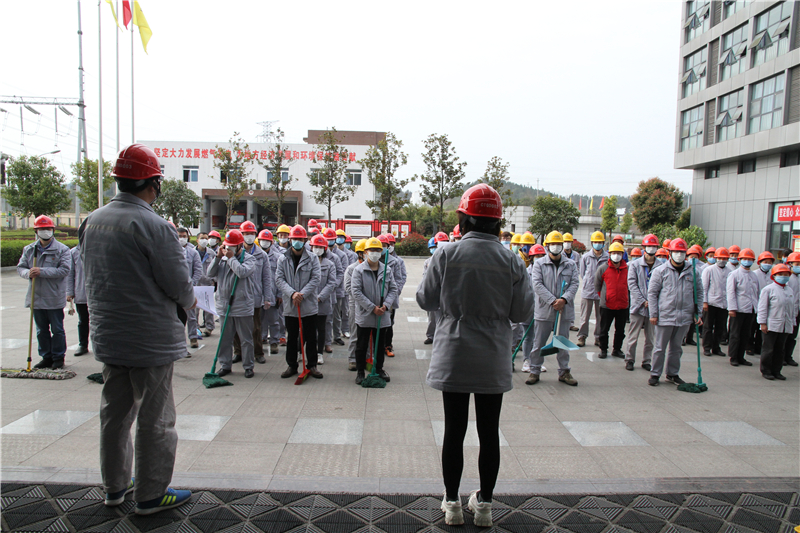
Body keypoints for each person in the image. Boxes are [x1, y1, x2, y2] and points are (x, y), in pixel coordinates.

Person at [80, 143, 194, 514]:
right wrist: (190, 301)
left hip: (109, 336)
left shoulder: (92, 221)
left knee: (114, 414)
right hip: (149, 340)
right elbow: (179, 287)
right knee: (155, 418)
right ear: (153, 183)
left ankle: (115, 487)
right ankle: (151, 493)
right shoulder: (154, 226)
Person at [417, 184, 534, 528]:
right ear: (498, 222)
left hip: (454, 353)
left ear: (464, 219)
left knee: (453, 430)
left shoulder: (445, 254)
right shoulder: (512, 260)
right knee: (489, 431)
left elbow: (425, 299)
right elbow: (523, 311)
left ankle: (452, 503)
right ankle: (484, 506)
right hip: (492, 356)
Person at [646, 238, 703, 386]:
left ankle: (672, 373)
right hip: (665, 316)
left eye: (682, 252)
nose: (679, 255)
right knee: (660, 348)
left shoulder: (693, 271)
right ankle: (655, 374)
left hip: (684, 317)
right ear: (670, 253)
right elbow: (652, 293)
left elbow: (699, 293)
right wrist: (653, 314)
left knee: (676, 348)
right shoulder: (660, 271)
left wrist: (698, 313)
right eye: (676, 252)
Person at [18, 215, 72, 369]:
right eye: (42, 229)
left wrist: (41, 271)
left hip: (54, 297)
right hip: (36, 297)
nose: (45, 231)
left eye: (48, 228)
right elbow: (21, 267)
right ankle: (46, 357)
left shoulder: (62, 250)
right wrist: (28, 273)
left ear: (53, 230)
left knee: (57, 330)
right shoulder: (29, 249)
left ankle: (58, 357)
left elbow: (64, 270)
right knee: (41, 330)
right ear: (36, 231)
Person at [207, 229, 258, 378]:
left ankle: (248, 366)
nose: (229, 249)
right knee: (225, 339)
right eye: (227, 246)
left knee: (246, 339)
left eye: (232, 246)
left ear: (240, 245)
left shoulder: (249, 259)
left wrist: (231, 259)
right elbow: (210, 274)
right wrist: (218, 258)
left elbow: (242, 272)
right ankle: (225, 365)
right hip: (224, 304)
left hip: (242, 305)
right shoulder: (222, 258)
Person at [276, 225, 322, 379]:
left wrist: (302, 294)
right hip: (291, 305)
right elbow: (279, 279)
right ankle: (292, 365)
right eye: (294, 239)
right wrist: (292, 293)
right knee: (292, 337)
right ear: (290, 240)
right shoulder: (283, 258)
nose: (297, 241)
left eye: (300, 239)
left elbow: (316, 278)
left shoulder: (312, 258)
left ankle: (312, 365)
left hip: (308, 304)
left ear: (305, 240)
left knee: (311, 337)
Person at [352, 237, 397, 384]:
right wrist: (372, 307)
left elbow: (393, 289)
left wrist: (386, 305)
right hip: (365, 314)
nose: (375, 253)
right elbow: (356, 292)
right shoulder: (359, 270)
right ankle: (360, 371)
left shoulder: (386, 270)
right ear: (365, 252)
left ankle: (379, 369)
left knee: (379, 344)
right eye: (372, 250)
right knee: (362, 344)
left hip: (382, 314)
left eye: (378, 250)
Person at [232, 221, 272, 366]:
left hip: (255, 296)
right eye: (246, 233)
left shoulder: (262, 255)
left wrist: (267, 297)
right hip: (238, 296)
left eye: (251, 234)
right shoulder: (235, 252)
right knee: (236, 328)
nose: (249, 236)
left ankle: (258, 352)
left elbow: (266, 278)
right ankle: (238, 352)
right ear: (241, 235)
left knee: (255, 327)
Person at [626, 234, 659, 371]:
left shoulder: (661, 266)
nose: (651, 248)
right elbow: (632, 284)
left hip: (653, 308)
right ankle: (629, 359)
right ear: (644, 247)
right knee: (633, 336)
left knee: (650, 338)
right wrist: (642, 301)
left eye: (653, 246)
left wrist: (652, 303)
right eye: (649, 246)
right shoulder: (635, 265)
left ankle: (647, 361)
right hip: (638, 307)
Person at [757, 263, 794, 380]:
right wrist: (763, 323)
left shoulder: (789, 290)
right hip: (771, 324)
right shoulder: (768, 289)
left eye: (786, 274)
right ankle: (766, 370)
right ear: (774, 276)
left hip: (785, 325)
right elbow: (762, 308)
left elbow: (792, 309)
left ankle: (777, 371)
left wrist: (792, 323)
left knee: (780, 349)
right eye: (780, 274)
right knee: (769, 349)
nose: (783, 276)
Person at [595, 241, 628, 359]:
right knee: (604, 329)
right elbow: (597, 284)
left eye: (619, 253)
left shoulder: (627, 269)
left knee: (620, 330)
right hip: (607, 305)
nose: (616, 255)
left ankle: (617, 349)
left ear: (622, 254)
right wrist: (604, 297)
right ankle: (603, 349)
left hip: (622, 305)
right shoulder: (603, 268)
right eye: (614, 253)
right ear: (609, 254)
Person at [726, 248, 759, 367]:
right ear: (740, 260)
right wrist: (732, 308)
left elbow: (756, 293)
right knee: (735, 334)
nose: (747, 261)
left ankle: (741, 357)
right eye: (745, 259)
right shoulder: (734, 274)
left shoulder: (754, 275)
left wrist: (757, 308)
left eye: (749, 259)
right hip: (738, 309)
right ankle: (733, 357)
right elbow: (731, 292)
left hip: (750, 309)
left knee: (746, 334)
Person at [308, 234, 337, 366]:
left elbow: (331, 283)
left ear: (325, 249)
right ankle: (302, 352)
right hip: (308, 301)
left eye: (320, 247)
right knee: (307, 329)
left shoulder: (329, 264)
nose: (317, 249)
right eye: (315, 247)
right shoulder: (306, 263)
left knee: (321, 328)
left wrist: (320, 297)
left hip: (323, 302)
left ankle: (319, 353)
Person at [577, 231, 608, 347]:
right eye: (595, 242)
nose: (597, 244)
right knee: (584, 316)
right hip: (588, 291)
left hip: (602, 292)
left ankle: (598, 337)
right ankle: (582, 336)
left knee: (600, 317)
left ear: (603, 243)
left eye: (600, 242)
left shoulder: (607, 258)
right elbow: (582, 273)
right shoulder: (586, 257)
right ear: (592, 243)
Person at [379, 233, 407, 358]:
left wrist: (394, 294)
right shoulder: (373, 260)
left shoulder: (396, 261)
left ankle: (387, 346)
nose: (386, 247)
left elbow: (400, 279)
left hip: (390, 297)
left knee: (388, 322)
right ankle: (377, 346)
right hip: (376, 297)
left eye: (388, 245)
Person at [521, 244, 547, 376]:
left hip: (542, 309)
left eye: (542, 256)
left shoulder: (546, 273)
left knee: (539, 338)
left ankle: (537, 361)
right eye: (537, 256)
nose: (539, 258)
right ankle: (526, 360)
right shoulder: (526, 272)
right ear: (531, 258)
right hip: (529, 308)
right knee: (528, 336)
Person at [176, 227, 202, 349]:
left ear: (188, 237)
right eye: (179, 236)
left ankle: (193, 338)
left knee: (191, 316)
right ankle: (179, 342)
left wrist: (191, 284)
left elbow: (198, 270)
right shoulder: (170, 251)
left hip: (189, 288)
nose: (181, 238)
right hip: (175, 290)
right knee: (177, 318)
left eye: (184, 236)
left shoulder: (193, 252)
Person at [701, 247, 731, 357]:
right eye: (720, 258)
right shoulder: (709, 270)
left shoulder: (730, 272)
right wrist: (704, 302)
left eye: (724, 258)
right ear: (716, 258)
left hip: (723, 304)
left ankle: (716, 347)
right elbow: (704, 287)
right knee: (708, 327)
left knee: (720, 327)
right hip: (711, 303)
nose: (722, 260)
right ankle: (707, 347)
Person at [259, 229, 284, 354]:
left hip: (273, 294)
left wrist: (280, 294)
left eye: (267, 240)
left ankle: (274, 341)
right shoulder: (255, 256)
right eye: (262, 240)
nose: (265, 243)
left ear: (272, 242)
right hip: (258, 294)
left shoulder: (278, 257)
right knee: (259, 321)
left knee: (274, 320)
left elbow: (281, 277)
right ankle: (260, 339)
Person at [344, 239, 367, 370]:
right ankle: (353, 359)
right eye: (365, 252)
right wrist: (362, 299)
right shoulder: (351, 269)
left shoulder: (373, 267)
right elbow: (348, 287)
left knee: (368, 334)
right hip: (355, 304)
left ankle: (367, 357)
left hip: (370, 305)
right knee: (355, 333)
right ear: (360, 253)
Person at [323, 228, 348, 347]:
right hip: (322, 291)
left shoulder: (341, 256)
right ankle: (324, 339)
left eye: (331, 239)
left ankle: (336, 336)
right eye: (327, 239)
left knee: (336, 315)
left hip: (336, 291)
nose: (329, 242)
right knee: (324, 317)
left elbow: (342, 272)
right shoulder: (320, 253)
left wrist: (333, 285)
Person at [66, 240, 89, 356]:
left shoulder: (99, 249)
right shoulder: (74, 252)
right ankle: (83, 344)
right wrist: (69, 292)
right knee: (83, 320)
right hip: (81, 292)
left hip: (98, 294)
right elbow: (70, 274)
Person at [750, 251, 775, 355]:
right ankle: (749, 346)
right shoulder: (755, 274)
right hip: (756, 304)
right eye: (765, 262)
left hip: (767, 306)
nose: (767, 264)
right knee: (752, 328)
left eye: (770, 262)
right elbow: (752, 291)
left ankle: (758, 347)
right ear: (759, 262)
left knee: (762, 329)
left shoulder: (772, 275)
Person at [682, 245, 706, 347]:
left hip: (695, 294)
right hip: (686, 294)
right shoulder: (685, 267)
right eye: (691, 257)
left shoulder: (701, 268)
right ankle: (682, 337)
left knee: (693, 318)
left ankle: (690, 338)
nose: (693, 259)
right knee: (684, 318)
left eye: (695, 257)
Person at [195, 232, 217, 337]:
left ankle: (209, 327)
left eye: (206, 238)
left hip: (208, 284)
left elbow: (215, 267)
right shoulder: (193, 253)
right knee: (195, 308)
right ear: (197, 240)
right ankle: (195, 328)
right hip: (195, 284)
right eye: (202, 238)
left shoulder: (211, 253)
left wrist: (214, 281)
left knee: (208, 308)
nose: (204, 240)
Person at [274, 224, 292, 346]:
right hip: (279, 287)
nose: (283, 237)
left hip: (291, 289)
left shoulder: (293, 250)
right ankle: (281, 336)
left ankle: (287, 335)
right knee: (279, 315)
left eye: (285, 235)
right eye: (281, 235)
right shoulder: (274, 250)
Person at [782, 252, 800, 367]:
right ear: (790, 264)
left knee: (793, 336)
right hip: (787, 310)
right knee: (785, 335)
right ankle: (782, 356)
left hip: (797, 310)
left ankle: (789, 356)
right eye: (796, 264)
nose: (798, 266)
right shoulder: (786, 278)